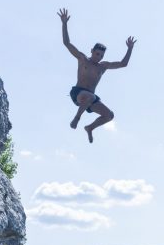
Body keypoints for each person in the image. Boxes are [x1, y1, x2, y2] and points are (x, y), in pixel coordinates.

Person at [58, 8, 136, 143]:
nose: (98, 57)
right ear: (92, 51)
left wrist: (130, 49)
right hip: (78, 93)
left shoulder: (102, 66)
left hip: (90, 98)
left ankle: (90, 128)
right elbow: (67, 43)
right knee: (89, 96)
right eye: (96, 54)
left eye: (101, 55)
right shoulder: (82, 59)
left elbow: (123, 64)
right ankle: (76, 118)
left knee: (109, 115)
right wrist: (64, 23)